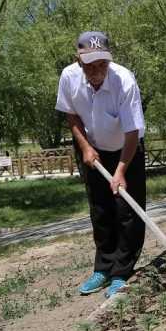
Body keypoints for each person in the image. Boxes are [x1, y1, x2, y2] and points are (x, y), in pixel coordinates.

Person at [55, 31, 146, 298]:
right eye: (90, 65)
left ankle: (121, 272)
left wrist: (120, 171)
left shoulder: (124, 81)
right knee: (100, 209)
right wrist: (85, 147)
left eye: (102, 64)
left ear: (109, 60)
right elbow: (71, 114)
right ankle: (103, 268)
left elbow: (132, 132)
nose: (97, 71)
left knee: (127, 210)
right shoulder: (68, 77)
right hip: (92, 148)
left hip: (126, 150)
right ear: (79, 61)